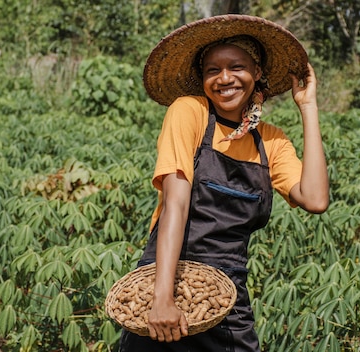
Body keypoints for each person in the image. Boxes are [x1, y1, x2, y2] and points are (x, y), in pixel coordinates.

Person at [118, 14, 329, 352]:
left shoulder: (271, 142)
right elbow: (176, 203)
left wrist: (308, 106)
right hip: (167, 279)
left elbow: (316, 199)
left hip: (225, 294)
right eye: (212, 71)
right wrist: (162, 298)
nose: (224, 78)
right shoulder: (190, 112)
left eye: (237, 67)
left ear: (256, 73)